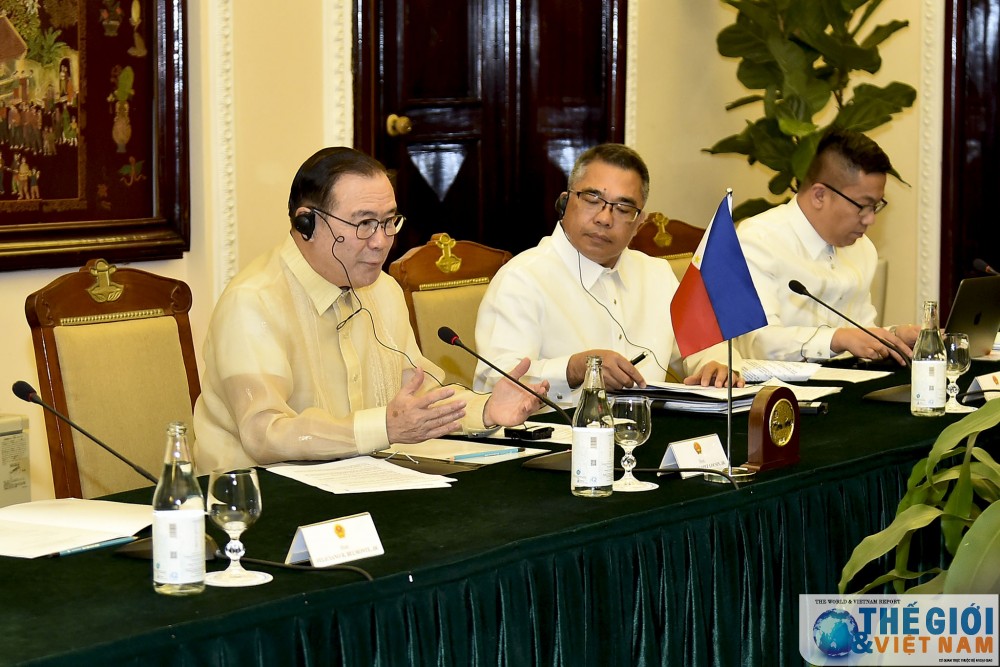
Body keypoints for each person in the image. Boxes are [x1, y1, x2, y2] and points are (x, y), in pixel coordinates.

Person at [194, 147, 547, 472]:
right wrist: (384, 427)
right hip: (255, 500)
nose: (380, 241)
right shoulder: (254, 301)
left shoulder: (383, 291)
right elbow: (264, 433)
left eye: (389, 222)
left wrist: (484, 410)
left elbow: (419, 394)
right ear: (307, 224)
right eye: (364, 224)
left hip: (361, 483)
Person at [473, 143, 741, 407]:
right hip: (557, 441)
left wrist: (715, 365)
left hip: (646, 434)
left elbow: (706, 345)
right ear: (565, 203)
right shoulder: (523, 279)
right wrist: (574, 369)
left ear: (639, 223)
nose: (604, 218)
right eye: (592, 200)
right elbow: (494, 383)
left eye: (623, 209)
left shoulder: (656, 275)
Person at [735, 129, 919, 364]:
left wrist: (894, 336)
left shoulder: (862, 249)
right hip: (776, 394)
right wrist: (837, 339)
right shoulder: (758, 240)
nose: (870, 219)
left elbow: (860, 332)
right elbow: (757, 341)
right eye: (863, 205)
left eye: (876, 206)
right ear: (820, 195)